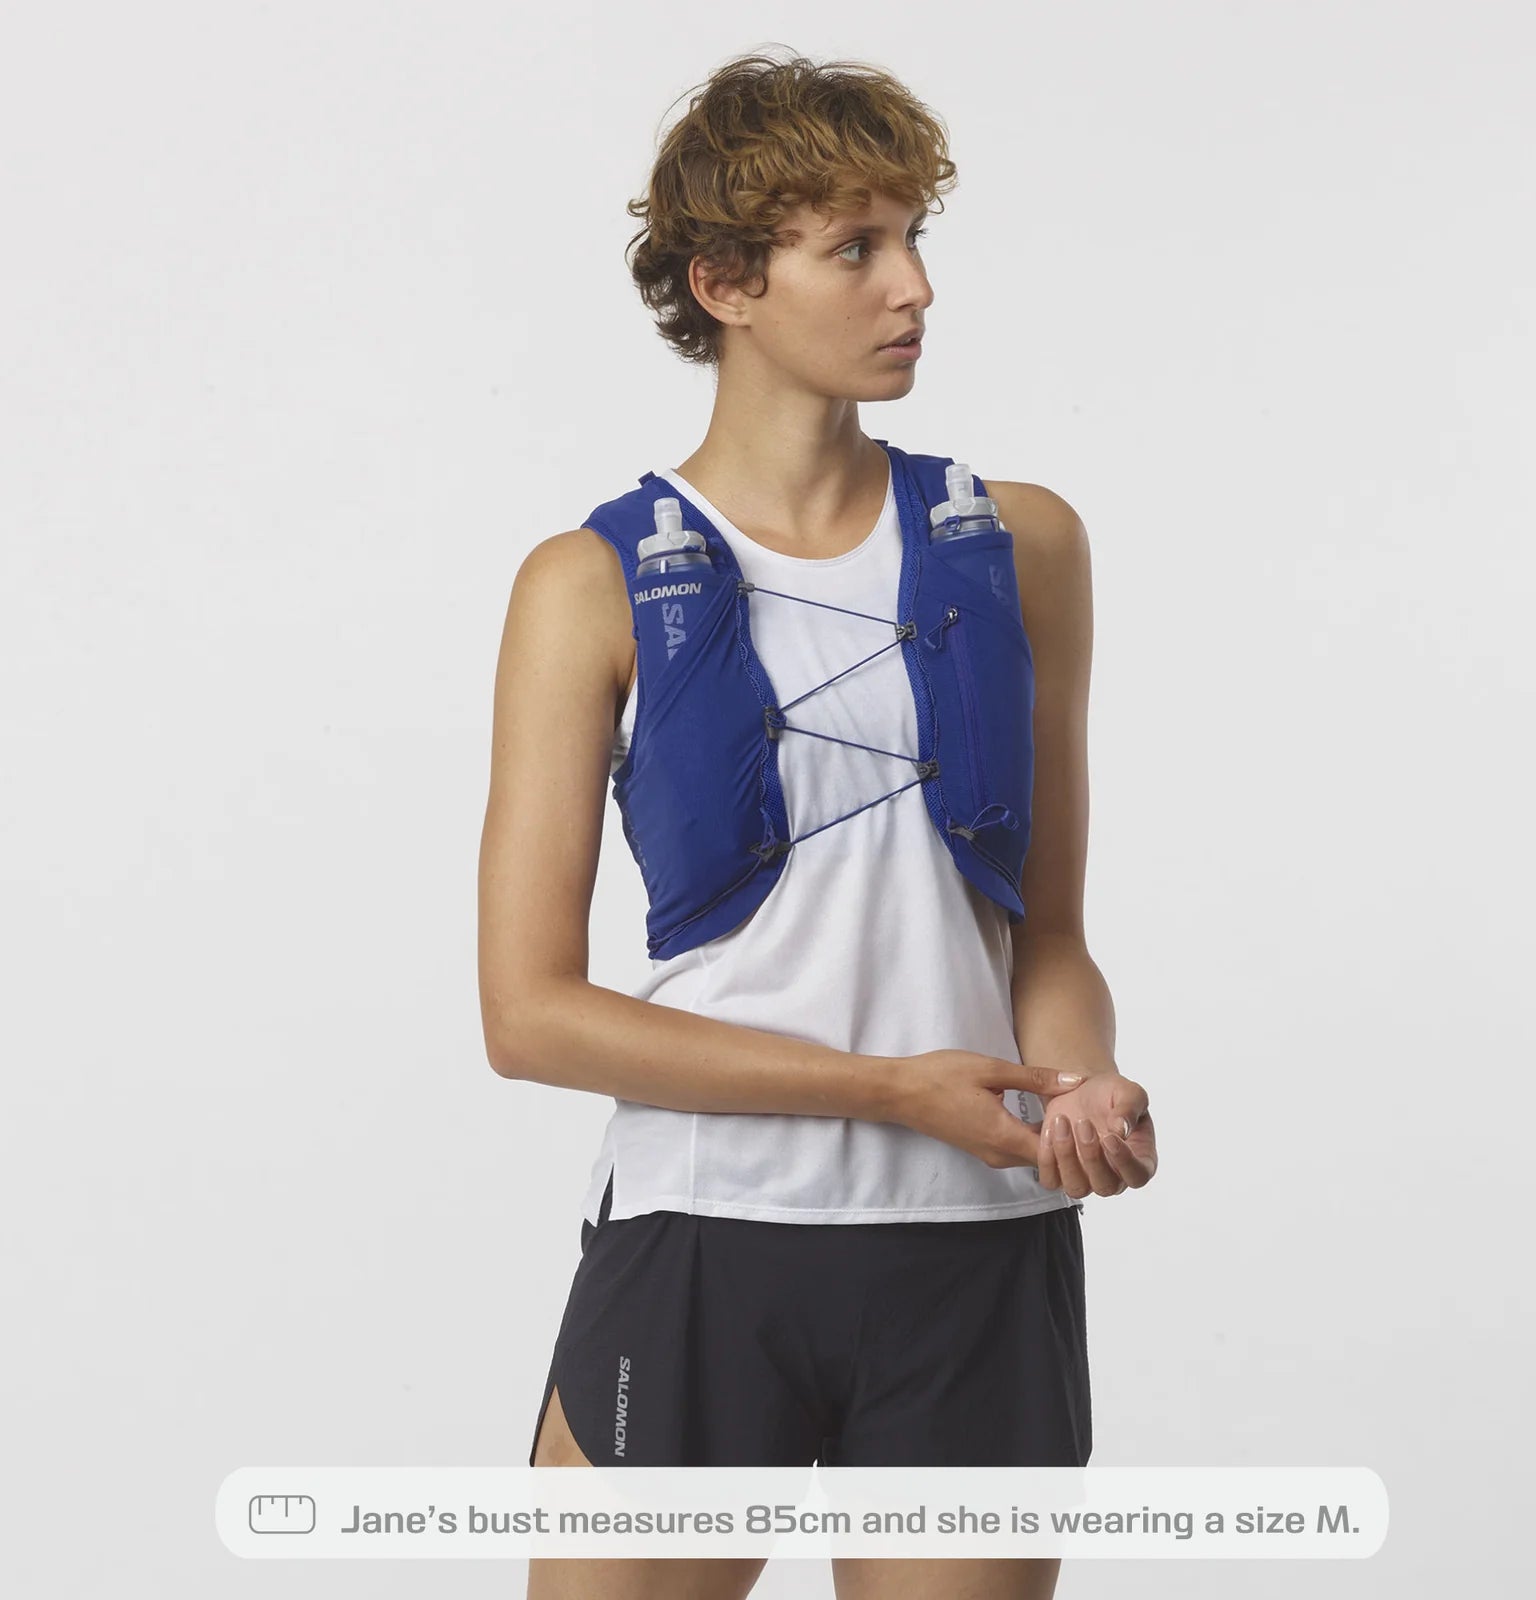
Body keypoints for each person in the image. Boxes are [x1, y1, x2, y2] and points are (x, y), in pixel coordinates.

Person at [478, 49, 1158, 1600]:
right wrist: (891, 1090)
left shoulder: (1023, 545)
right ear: (725, 283)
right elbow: (527, 1016)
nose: (913, 285)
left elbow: (1047, 935)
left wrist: (1081, 1085)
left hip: (974, 1246)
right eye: (855, 248)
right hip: (708, 1230)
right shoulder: (587, 585)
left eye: (913, 237)